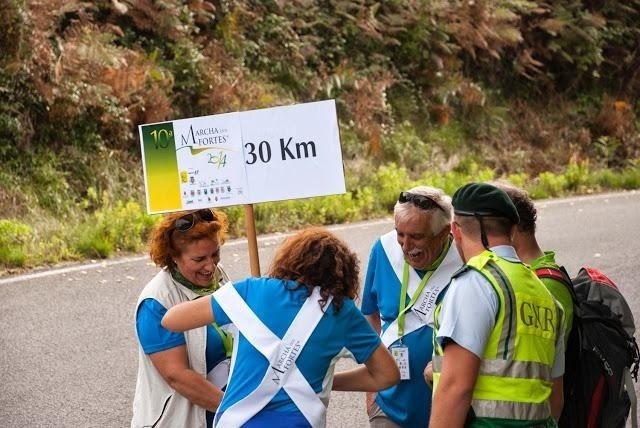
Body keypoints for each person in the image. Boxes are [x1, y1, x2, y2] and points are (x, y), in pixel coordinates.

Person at [162, 227, 400, 427]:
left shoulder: (252, 291)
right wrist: (332, 381)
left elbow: (171, 320)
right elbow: (387, 375)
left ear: (290, 258)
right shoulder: (342, 311)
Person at [429, 182, 565, 427]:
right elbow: (555, 398)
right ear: (512, 231)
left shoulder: (476, 282)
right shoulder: (546, 296)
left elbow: (455, 388)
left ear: (456, 231)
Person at [361, 186, 464, 427]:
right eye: (400, 234)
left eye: (416, 236)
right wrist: (371, 392)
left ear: (443, 233)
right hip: (389, 407)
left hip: (449, 409)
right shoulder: (384, 249)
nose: (406, 246)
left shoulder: (464, 258)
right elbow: (371, 316)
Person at [131, 208, 233, 428]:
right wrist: (237, 411)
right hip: (181, 420)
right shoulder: (156, 302)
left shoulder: (218, 276)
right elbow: (178, 376)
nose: (211, 265)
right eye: (199, 259)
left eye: (215, 253)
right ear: (173, 257)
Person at [490, 180, 573, 343]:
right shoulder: (518, 273)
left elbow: (531, 360)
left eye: (485, 229)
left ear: (511, 231)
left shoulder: (544, 285)